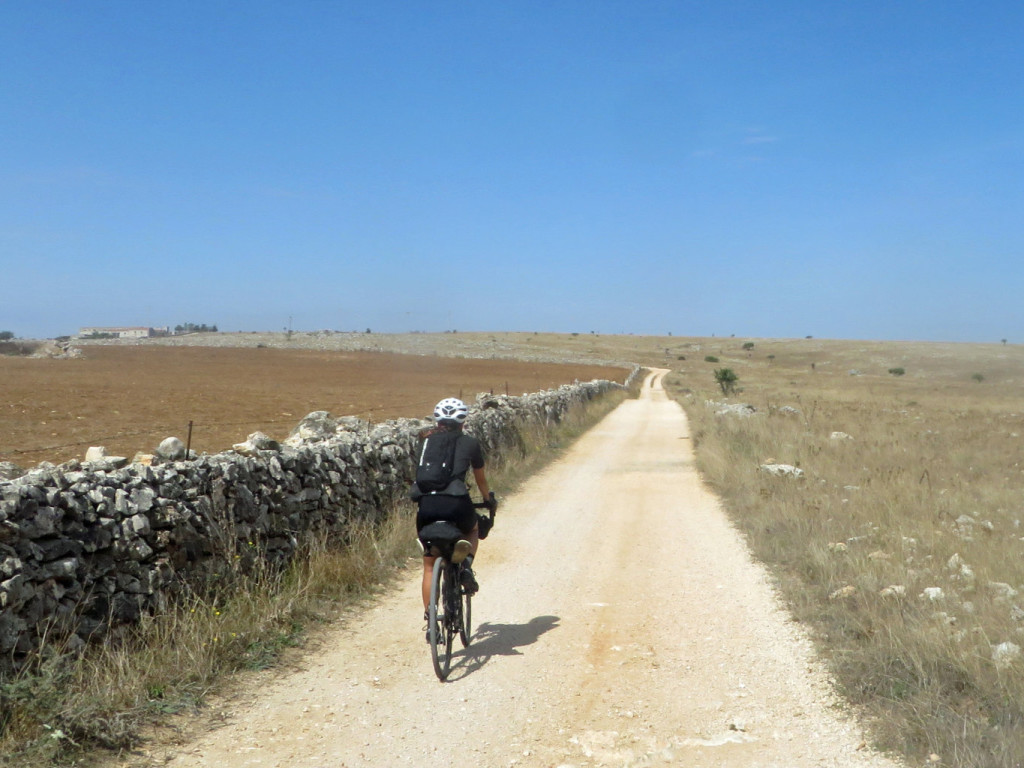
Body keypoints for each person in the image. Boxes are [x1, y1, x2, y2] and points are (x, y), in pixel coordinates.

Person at [413, 397, 494, 615]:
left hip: (427, 506)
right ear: (462, 422)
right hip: (457, 504)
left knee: (429, 566)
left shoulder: (425, 442)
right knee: (473, 528)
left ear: (437, 420)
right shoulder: (470, 443)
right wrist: (488, 499)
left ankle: (430, 619)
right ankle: (466, 564)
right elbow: (481, 480)